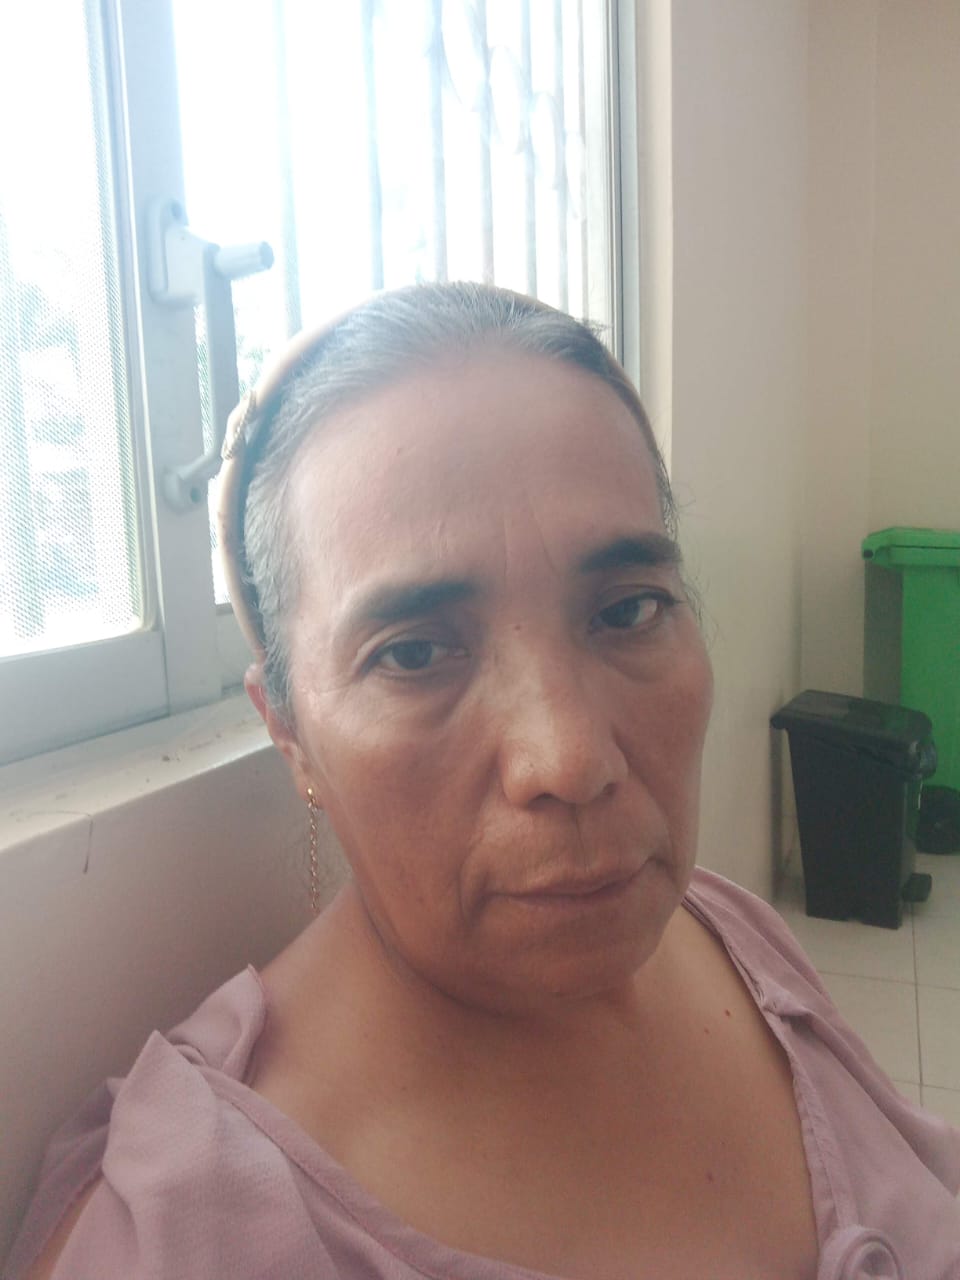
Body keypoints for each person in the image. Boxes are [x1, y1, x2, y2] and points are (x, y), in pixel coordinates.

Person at [8, 283, 960, 1280]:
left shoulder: (738, 939)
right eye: (414, 652)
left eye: (629, 610)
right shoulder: (180, 1233)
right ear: (289, 731)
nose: (570, 759)